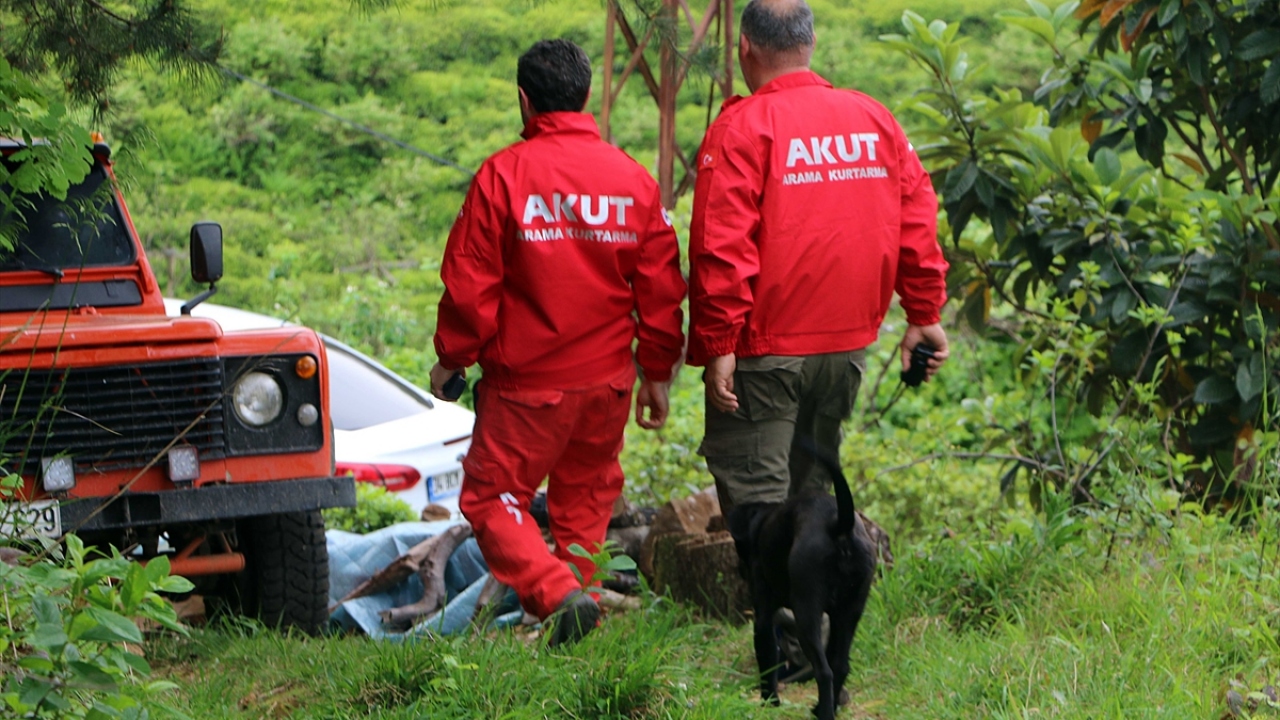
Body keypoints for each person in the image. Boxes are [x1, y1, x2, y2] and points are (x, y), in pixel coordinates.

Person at [429, 39, 686, 646]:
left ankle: (557, 595)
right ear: (586, 95)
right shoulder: (632, 180)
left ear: (524, 100)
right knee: (585, 501)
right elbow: (661, 288)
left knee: (492, 497)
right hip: (607, 387)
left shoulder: (504, 176)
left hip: (528, 390)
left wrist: (451, 360)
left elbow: (471, 286)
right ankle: (579, 616)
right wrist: (656, 372)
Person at [688, 0, 950, 517]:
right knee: (810, 496)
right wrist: (924, 315)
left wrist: (719, 342)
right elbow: (917, 215)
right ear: (810, 45)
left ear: (745, 47)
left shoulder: (743, 127)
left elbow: (721, 243)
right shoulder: (873, 117)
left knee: (759, 507)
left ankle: (777, 600)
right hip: (844, 350)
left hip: (765, 352)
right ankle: (813, 596)